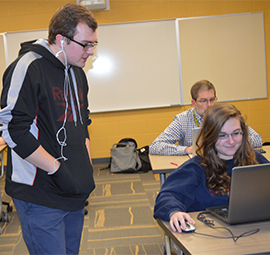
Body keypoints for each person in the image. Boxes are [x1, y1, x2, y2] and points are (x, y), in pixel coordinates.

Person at [0, 4, 98, 254]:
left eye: (93, 44)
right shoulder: (28, 67)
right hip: (39, 192)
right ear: (61, 39)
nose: (90, 52)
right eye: (85, 44)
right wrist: (57, 169)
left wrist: (83, 169)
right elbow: (13, 130)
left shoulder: (77, 73)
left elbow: (81, 124)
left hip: (72, 191)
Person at [153, 103, 269, 233]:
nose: (231, 141)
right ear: (211, 136)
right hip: (212, 234)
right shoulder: (196, 168)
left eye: (236, 133)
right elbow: (167, 196)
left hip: (258, 228)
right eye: (222, 135)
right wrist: (174, 212)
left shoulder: (256, 161)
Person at [149, 80, 263, 155]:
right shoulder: (182, 120)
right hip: (197, 168)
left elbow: (258, 139)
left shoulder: (226, 116)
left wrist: (235, 142)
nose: (209, 105)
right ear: (194, 103)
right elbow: (155, 146)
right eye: (203, 101)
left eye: (212, 100)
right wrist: (186, 150)